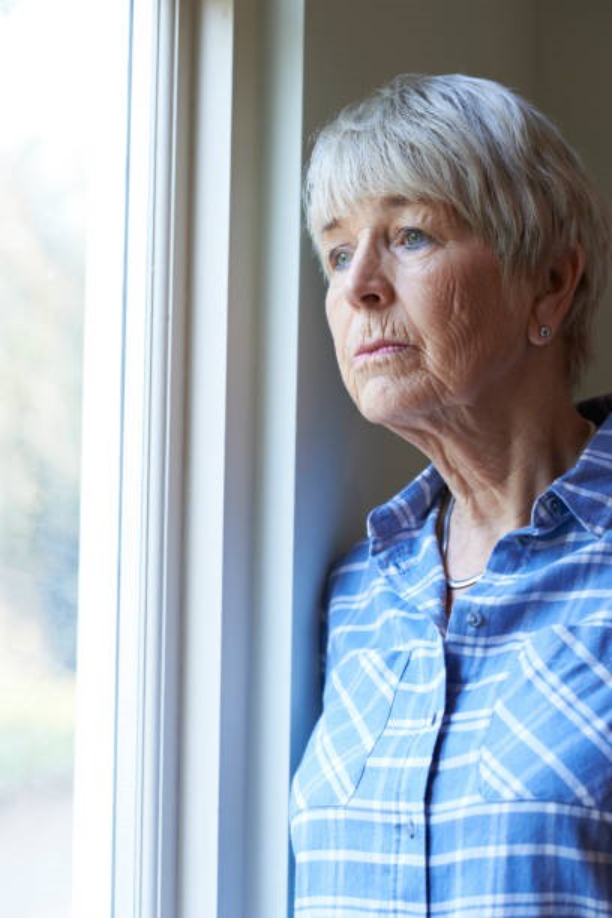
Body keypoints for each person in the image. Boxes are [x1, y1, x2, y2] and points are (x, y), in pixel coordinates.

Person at [290, 73, 612, 917]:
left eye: (411, 236)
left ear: (549, 283)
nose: (359, 283)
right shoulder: (358, 592)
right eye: (335, 252)